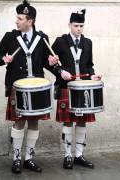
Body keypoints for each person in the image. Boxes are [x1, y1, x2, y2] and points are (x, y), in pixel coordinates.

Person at [0, 0, 59, 174]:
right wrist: (3, 59)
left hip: (36, 87)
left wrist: (52, 63)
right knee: (19, 121)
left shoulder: (42, 38)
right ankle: (16, 159)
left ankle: (29, 158)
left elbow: (46, 63)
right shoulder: (10, 37)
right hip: (18, 87)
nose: (17, 21)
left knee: (34, 121)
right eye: (17, 18)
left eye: (20, 19)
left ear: (30, 21)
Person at [51, 9, 102, 170]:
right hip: (67, 87)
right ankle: (67, 155)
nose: (79, 29)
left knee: (82, 122)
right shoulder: (60, 41)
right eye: (76, 25)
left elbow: (89, 65)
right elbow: (50, 62)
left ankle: (79, 155)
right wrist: (60, 72)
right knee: (68, 121)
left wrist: (92, 75)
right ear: (69, 25)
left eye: (81, 25)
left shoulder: (88, 43)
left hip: (83, 88)